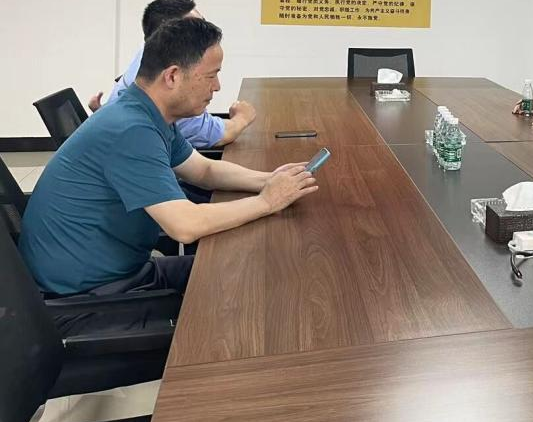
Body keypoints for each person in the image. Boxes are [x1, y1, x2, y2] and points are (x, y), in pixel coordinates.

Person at [19, 17, 317, 308]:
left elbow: (203, 170)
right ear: (172, 76)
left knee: (245, 268)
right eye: (211, 75)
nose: (217, 86)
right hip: (87, 296)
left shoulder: (145, 112)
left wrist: (268, 180)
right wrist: (267, 201)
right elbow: (184, 226)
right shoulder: (131, 130)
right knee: (251, 281)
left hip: (112, 271)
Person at [100, 0, 257, 149]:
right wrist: (242, 119)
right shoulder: (161, 97)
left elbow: (194, 161)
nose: (205, 35)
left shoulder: (148, 55)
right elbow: (210, 134)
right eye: (196, 31)